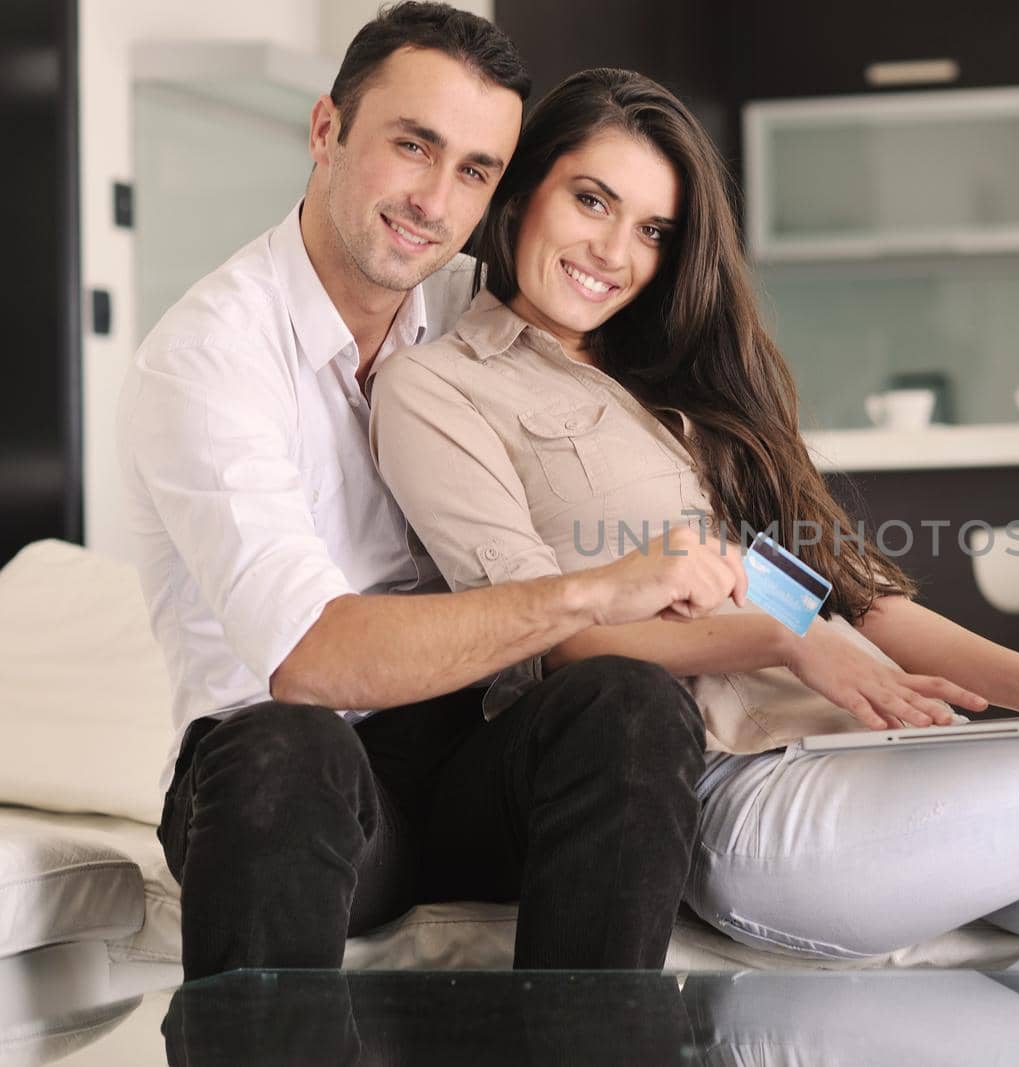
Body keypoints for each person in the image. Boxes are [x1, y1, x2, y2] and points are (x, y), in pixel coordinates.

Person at [371, 67, 1019, 972]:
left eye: (652, 230)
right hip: (747, 795)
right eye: (590, 200)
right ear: (522, 194)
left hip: (871, 764)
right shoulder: (442, 388)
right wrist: (790, 640)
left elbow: (865, 608)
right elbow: (541, 635)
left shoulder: (678, 391)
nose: (613, 251)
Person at [118, 8, 744, 982]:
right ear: (326, 130)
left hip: (468, 765)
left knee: (626, 702)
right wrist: (592, 590)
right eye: (413, 146)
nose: (433, 200)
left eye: (475, 171)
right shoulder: (211, 354)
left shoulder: (474, 310)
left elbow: (663, 455)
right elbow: (312, 657)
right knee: (287, 749)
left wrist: (817, 619)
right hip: (283, 778)